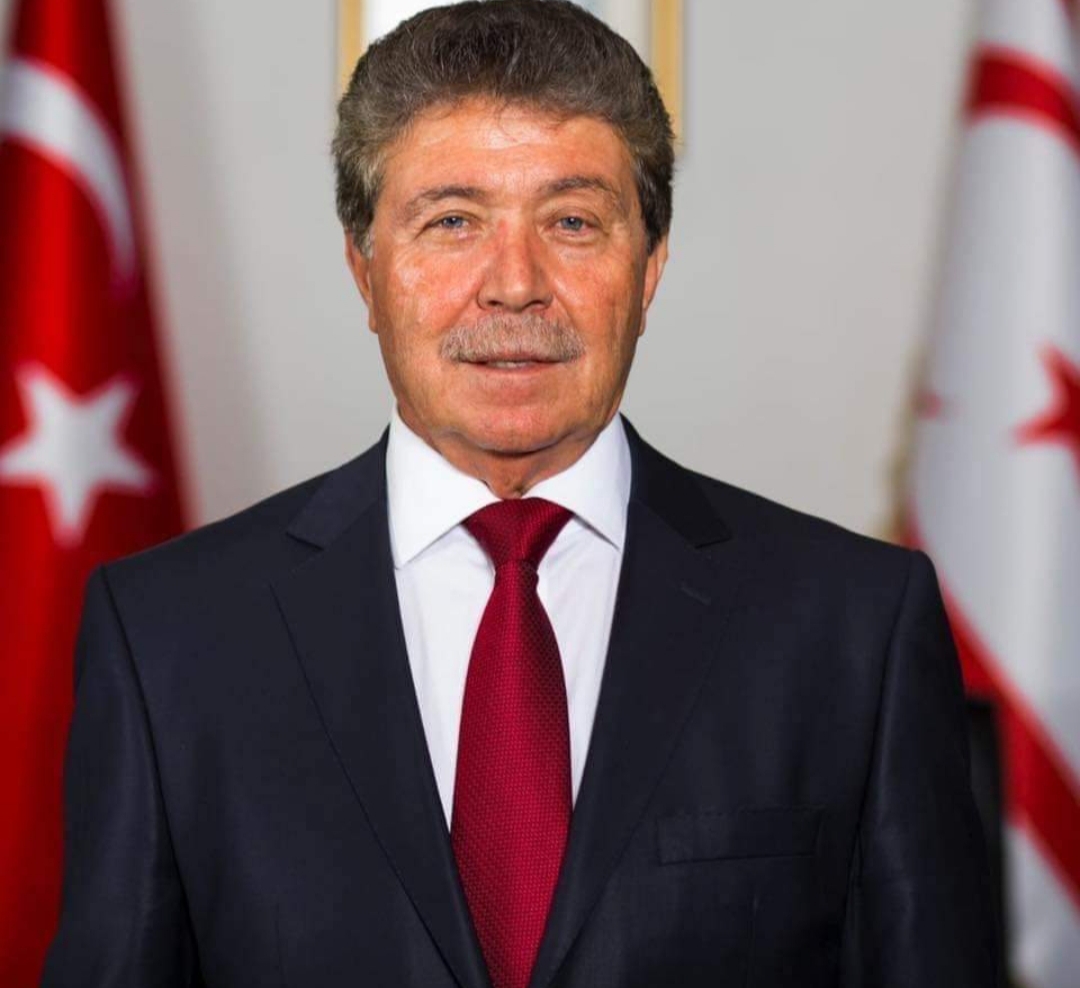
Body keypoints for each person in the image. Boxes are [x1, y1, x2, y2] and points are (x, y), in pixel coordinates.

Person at [41, 2, 998, 986]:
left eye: (572, 222)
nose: (513, 284)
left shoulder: (854, 627)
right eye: (452, 221)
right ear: (365, 270)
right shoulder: (170, 637)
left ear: (650, 267)